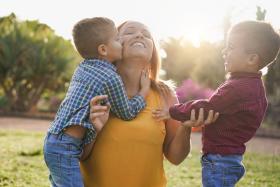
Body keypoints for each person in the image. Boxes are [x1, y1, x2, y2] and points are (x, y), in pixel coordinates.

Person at [80, 21, 219, 187]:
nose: (139, 35)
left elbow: (176, 158)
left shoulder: (165, 94)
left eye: (146, 35)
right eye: (130, 31)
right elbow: (77, 154)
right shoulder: (93, 87)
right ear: (111, 45)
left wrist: (185, 127)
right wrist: (94, 129)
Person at [153, 20, 280, 187]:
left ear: (251, 59)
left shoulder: (237, 88)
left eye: (231, 47)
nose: (224, 51)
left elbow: (206, 107)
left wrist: (172, 112)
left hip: (219, 160)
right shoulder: (254, 87)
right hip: (230, 158)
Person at [43, 17, 150, 187]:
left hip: (54, 140)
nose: (121, 42)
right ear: (103, 49)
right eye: (117, 39)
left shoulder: (83, 67)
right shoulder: (110, 77)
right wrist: (144, 90)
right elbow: (127, 113)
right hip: (66, 147)